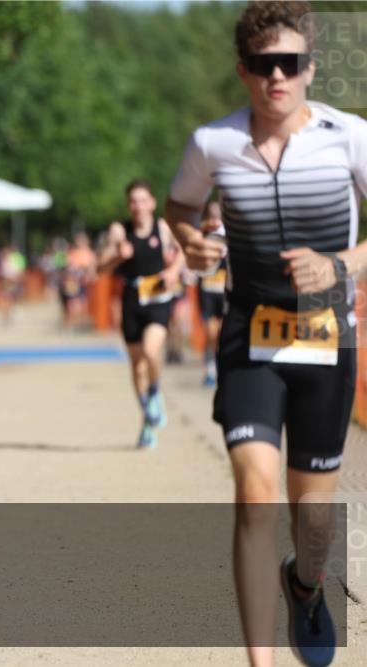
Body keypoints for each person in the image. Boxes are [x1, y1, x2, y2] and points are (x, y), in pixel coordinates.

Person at [166, 3, 367, 665]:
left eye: (290, 63)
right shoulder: (213, 142)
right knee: (254, 493)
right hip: (250, 336)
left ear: (310, 67)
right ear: (243, 70)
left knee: (313, 524)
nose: (276, 76)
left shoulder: (350, 137)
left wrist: (337, 265)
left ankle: (304, 584)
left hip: (326, 340)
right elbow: (180, 207)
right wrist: (192, 242)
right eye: (262, 64)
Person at [98, 180, 185, 449]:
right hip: (132, 299)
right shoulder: (119, 230)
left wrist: (173, 271)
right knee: (136, 366)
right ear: (129, 205)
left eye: (142, 200)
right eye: (133, 201)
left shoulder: (163, 227)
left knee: (151, 350)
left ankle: (156, 392)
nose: (138, 206)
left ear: (152, 203)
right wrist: (117, 255)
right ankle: (147, 419)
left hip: (158, 296)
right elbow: (101, 268)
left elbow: (183, 251)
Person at [196, 200, 228, 386]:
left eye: (218, 213)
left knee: (222, 333)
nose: (215, 217)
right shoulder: (202, 233)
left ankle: (220, 367)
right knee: (210, 332)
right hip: (207, 289)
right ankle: (209, 368)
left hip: (224, 289)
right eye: (212, 213)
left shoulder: (231, 233)